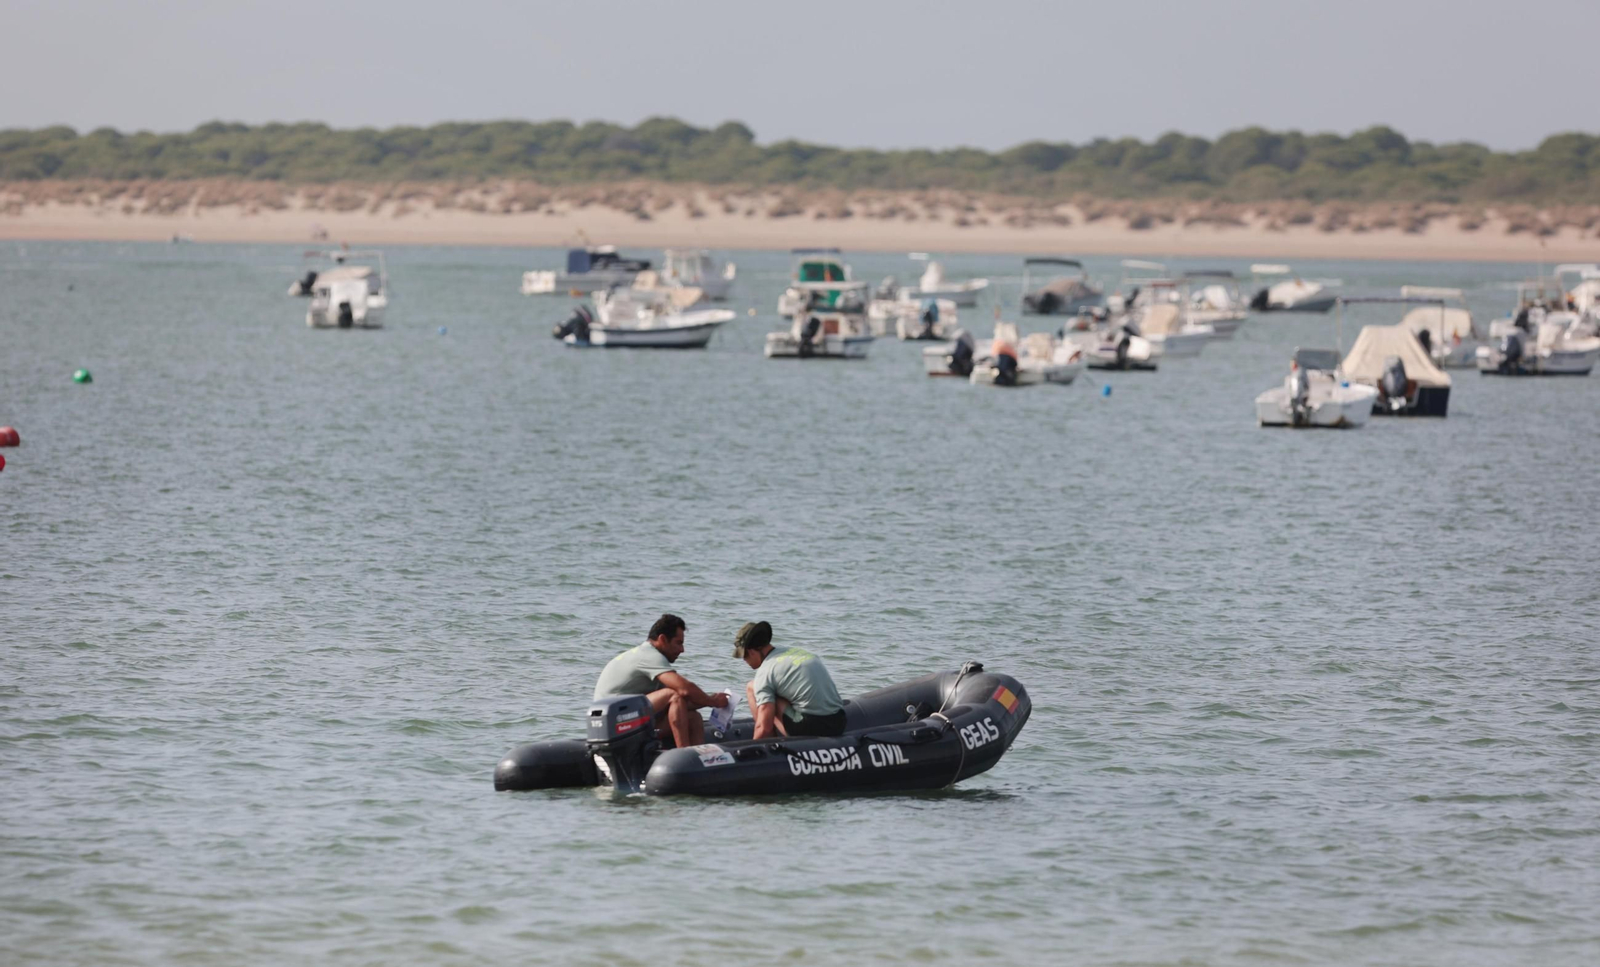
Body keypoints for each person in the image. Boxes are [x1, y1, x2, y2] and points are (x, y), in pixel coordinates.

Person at [594, 613, 728, 748]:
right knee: (672, 694)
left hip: (627, 717)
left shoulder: (652, 662)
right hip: (614, 721)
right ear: (663, 639)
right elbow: (684, 689)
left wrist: (709, 700)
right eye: (678, 643)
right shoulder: (649, 655)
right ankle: (684, 752)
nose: (682, 650)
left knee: (693, 718)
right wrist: (713, 702)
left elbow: (682, 702)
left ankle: (696, 762)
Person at [732, 621, 846, 739]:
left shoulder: (765, 672)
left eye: (743, 656)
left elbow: (764, 728)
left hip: (812, 728)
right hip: (839, 722)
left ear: (751, 652)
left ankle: (770, 742)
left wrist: (754, 749)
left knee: (752, 687)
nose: (744, 661)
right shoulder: (798, 652)